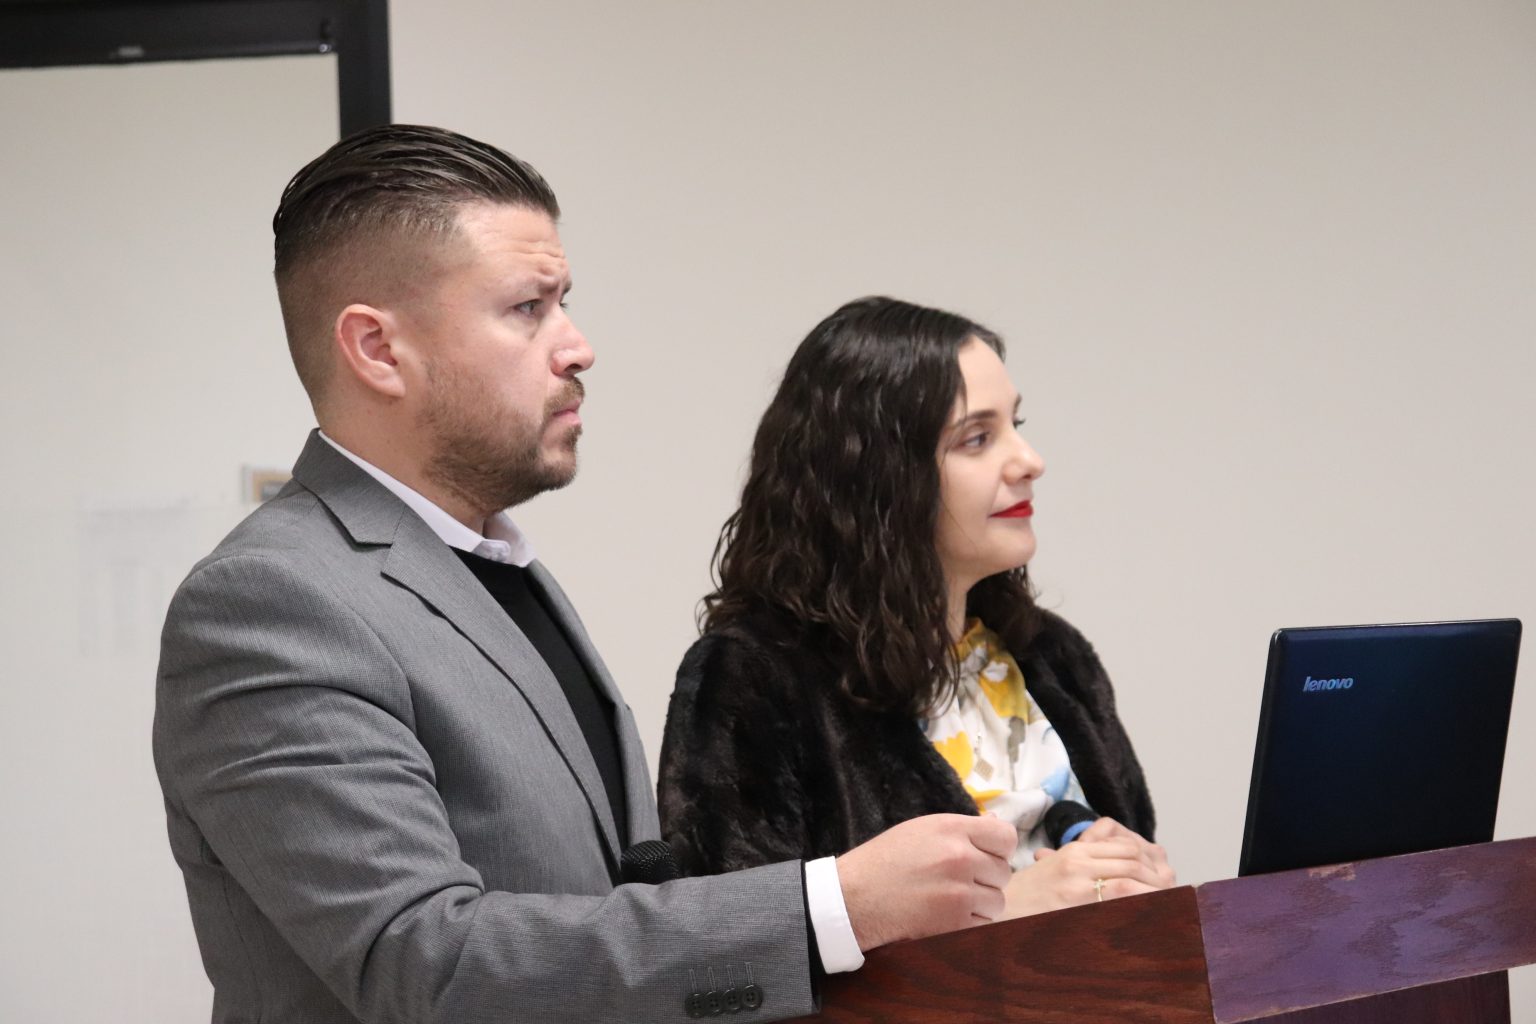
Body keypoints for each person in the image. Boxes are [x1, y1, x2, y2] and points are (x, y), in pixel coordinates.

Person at [151, 127, 1019, 1024]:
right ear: (377, 349)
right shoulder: (270, 603)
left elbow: (607, 904)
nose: (577, 347)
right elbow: (426, 964)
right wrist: (830, 906)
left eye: (564, 303)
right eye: (528, 308)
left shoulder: (493, 565)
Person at [658, 296, 1176, 919]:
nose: (1029, 461)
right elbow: (738, 945)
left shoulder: (1056, 656)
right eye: (977, 438)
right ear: (878, 476)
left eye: (1015, 424)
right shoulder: (754, 680)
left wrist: (1143, 881)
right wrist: (1006, 913)